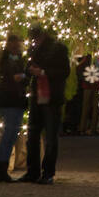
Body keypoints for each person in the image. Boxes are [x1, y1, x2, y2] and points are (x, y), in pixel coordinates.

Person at [19, 24, 70, 185]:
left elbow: (64, 72)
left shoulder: (58, 49)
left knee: (49, 137)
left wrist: (43, 72)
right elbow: (27, 68)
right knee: (33, 135)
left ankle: (47, 172)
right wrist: (30, 71)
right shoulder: (34, 49)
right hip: (36, 95)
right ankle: (32, 171)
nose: (34, 41)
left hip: (51, 96)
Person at [0, 33, 27, 183]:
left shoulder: (18, 60)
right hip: (7, 100)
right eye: (15, 44)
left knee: (10, 135)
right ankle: (1, 170)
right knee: (7, 135)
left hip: (15, 100)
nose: (17, 47)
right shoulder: (3, 60)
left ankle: (2, 169)